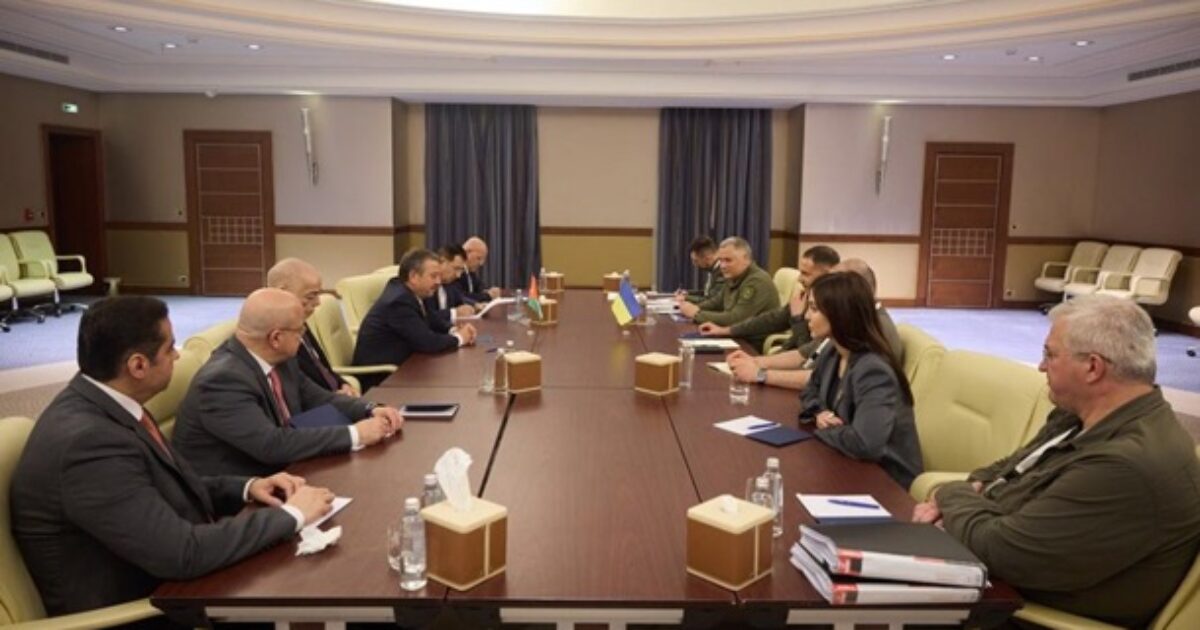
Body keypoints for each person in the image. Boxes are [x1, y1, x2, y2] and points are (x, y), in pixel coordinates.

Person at [11, 296, 335, 618]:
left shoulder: (106, 405)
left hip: (174, 579)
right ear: (138, 365)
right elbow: (182, 553)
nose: (177, 356)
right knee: (319, 593)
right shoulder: (88, 445)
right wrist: (292, 515)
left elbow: (164, 487)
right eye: (169, 349)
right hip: (147, 608)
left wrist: (248, 487)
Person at [912, 295, 1200, 627]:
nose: (1040, 366)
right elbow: (1007, 469)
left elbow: (1003, 551)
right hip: (990, 572)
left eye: (1050, 354)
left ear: (1092, 367)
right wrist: (971, 497)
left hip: (1018, 613)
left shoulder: (1125, 465)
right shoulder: (1080, 417)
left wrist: (950, 494)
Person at [173, 288, 402, 477]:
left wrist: (369, 408)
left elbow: (320, 398)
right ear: (276, 338)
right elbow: (271, 445)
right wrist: (355, 434)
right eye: (299, 331)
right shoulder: (222, 382)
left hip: (285, 468)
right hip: (241, 492)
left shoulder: (280, 359)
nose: (302, 338)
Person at [799, 271, 922, 489]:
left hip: (885, 482)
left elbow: (866, 444)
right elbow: (809, 391)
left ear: (839, 313)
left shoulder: (873, 370)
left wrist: (825, 429)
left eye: (814, 309)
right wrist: (820, 413)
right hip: (846, 461)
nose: (807, 316)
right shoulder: (834, 350)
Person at [726, 258, 900, 391]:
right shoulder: (845, 322)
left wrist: (760, 374)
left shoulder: (874, 329)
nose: (808, 315)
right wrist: (755, 361)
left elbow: (822, 379)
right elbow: (804, 354)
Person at [353, 248, 478, 389]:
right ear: (413, 276)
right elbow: (428, 342)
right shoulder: (399, 301)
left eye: (439, 276)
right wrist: (460, 338)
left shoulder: (410, 291)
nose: (438, 282)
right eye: (433, 276)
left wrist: (453, 329)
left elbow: (430, 318)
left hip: (407, 368)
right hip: (383, 379)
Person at [700, 245, 839, 350]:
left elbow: (808, 357)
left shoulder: (835, 306)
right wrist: (726, 330)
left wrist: (797, 319)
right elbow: (771, 320)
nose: (799, 279)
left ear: (828, 274)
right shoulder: (804, 296)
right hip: (788, 356)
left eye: (806, 274)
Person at [266, 257, 357, 396]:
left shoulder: (298, 321)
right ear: (282, 293)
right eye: (310, 296)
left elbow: (322, 369)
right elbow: (297, 391)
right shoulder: (276, 335)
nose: (318, 302)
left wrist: (343, 384)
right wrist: (337, 399)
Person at [675, 237, 779, 325]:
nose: (723, 266)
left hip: (753, 339)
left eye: (728, 260)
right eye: (721, 260)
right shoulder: (734, 276)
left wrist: (697, 314)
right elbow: (716, 303)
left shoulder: (757, 281)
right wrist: (691, 308)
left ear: (746, 259)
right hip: (735, 333)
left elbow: (736, 319)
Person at [424, 244, 478, 328]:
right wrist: (454, 312)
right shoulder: (425, 285)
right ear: (442, 262)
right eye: (456, 269)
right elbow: (427, 317)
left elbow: (461, 300)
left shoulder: (451, 286)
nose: (458, 275)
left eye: (461, 270)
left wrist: (473, 306)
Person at [674, 235, 724, 305]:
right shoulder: (714, 270)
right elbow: (707, 293)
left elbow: (712, 300)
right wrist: (688, 293)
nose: (694, 264)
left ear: (707, 258)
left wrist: (686, 298)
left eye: (696, 261)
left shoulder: (722, 272)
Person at [458, 236, 503, 303]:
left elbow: (479, 288)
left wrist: (489, 291)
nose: (481, 263)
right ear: (467, 253)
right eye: (479, 258)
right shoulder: (456, 272)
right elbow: (461, 296)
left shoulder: (470, 272)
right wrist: (487, 296)